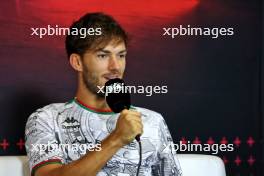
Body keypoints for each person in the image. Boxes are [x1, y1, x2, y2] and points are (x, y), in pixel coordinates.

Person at [25, 12, 182, 176]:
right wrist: (116, 139)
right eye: (103, 55)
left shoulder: (152, 121)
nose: (115, 66)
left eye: (121, 55)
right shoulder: (46, 119)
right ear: (77, 62)